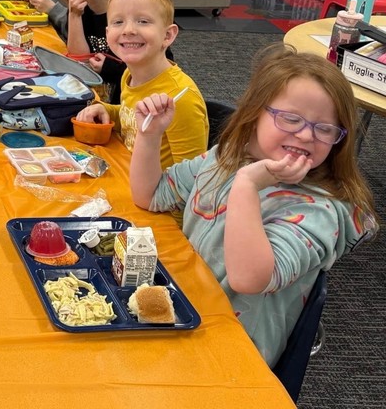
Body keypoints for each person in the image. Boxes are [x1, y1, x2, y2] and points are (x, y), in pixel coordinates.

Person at [129, 45, 379, 366]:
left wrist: (247, 186)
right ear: (255, 113)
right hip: (182, 304)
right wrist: (150, 136)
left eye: (324, 128)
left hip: (230, 351)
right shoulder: (227, 158)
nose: (305, 135)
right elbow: (150, 195)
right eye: (290, 119)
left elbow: (248, 279)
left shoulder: (323, 211)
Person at [75, 0, 207, 169]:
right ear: (108, 32)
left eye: (143, 21)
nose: (128, 30)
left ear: (168, 36)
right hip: (127, 172)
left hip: (157, 195)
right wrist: (108, 110)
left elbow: (192, 179)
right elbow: (132, 120)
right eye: (118, 22)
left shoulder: (180, 98)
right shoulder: (129, 74)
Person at [54, 0, 125, 104]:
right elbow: (80, 61)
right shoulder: (80, 10)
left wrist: (110, 69)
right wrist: (74, 15)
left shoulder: (129, 9)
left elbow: (153, 67)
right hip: (105, 96)